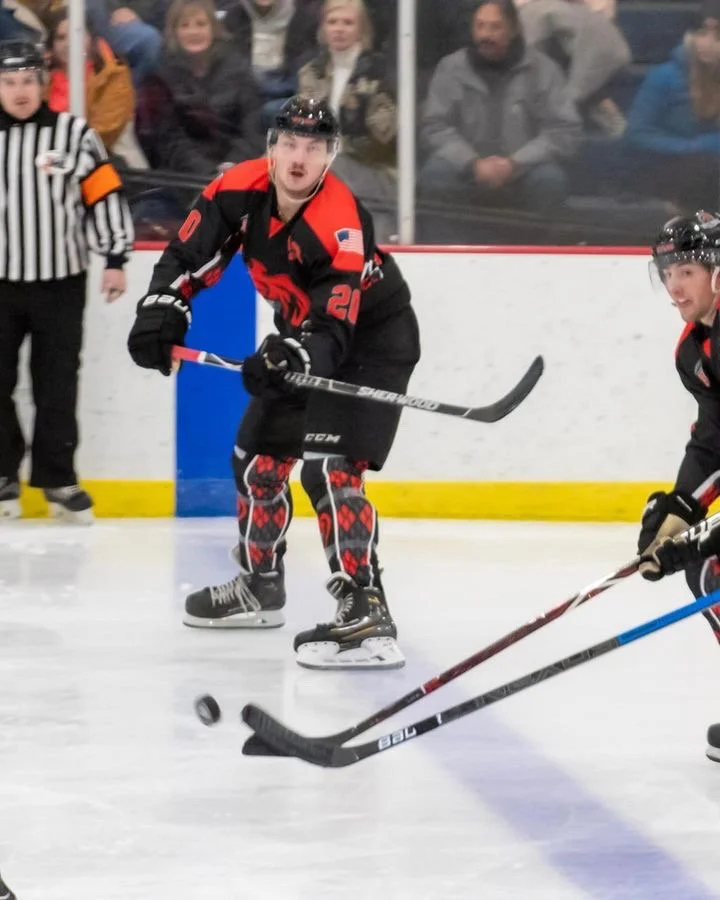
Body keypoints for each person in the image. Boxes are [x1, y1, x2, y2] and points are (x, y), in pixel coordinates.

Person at [127, 96, 420, 669]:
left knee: (331, 470)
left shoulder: (340, 221)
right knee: (258, 460)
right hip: (302, 339)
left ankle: (366, 610)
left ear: (331, 155)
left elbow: (333, 326)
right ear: (271, 147)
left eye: (314, 147)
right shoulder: (237, 189)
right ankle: (260, 587)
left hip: (371, 343)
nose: (299, 158)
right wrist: (162, 305)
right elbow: (188, 254)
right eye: (289, 143)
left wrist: (295, 353)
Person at [0, 39, 134, 524]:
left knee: (56, 384)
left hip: (60, 281)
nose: (19, 91)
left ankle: (58, 478)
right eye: (8, 82)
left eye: (27, 81)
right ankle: (2, 474)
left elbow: (104, 194)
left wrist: (115, 256)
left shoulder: (73, 133)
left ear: (43, 83)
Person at [634, 210, 720, 762]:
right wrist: (679, 509)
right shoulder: (695, 349)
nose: (674, 286)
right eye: (667, 273)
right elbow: (713, 441)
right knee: (707, 570)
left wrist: (703, 535)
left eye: (686, 271)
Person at [420, 0, 581, 212]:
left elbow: (563, 130)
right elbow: (434, 126)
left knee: (549, 181)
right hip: (465, 168)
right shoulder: (450, 68)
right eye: (480, 26)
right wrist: (472, 163)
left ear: (513, 30)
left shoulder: (544, 70)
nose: (485, 35)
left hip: (524, 169)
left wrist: (515, 164)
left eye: (495, 27)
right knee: (435, 176)